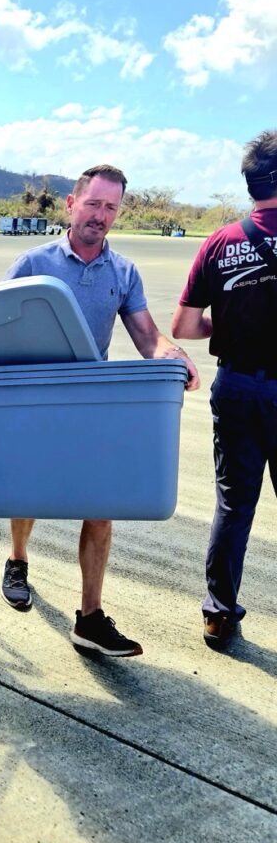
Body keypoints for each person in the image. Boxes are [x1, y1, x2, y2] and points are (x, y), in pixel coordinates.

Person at [0, 164, 199, 657]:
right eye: (94, 204)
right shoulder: (33, 263)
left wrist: (174, 354)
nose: (101, 216)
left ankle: (88, 618)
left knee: (101, 504)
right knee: (28, 493)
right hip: (37, 401)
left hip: (91, 404)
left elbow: (148, 336)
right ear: (71, 204)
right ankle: (18, 559)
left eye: (111, 207)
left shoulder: (123, 272)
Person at [172, 130, 277, 650]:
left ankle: (217, 614)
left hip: (234, 386)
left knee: (234, 506)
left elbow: (185, 326)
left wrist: (231, 325)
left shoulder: (221, 240)